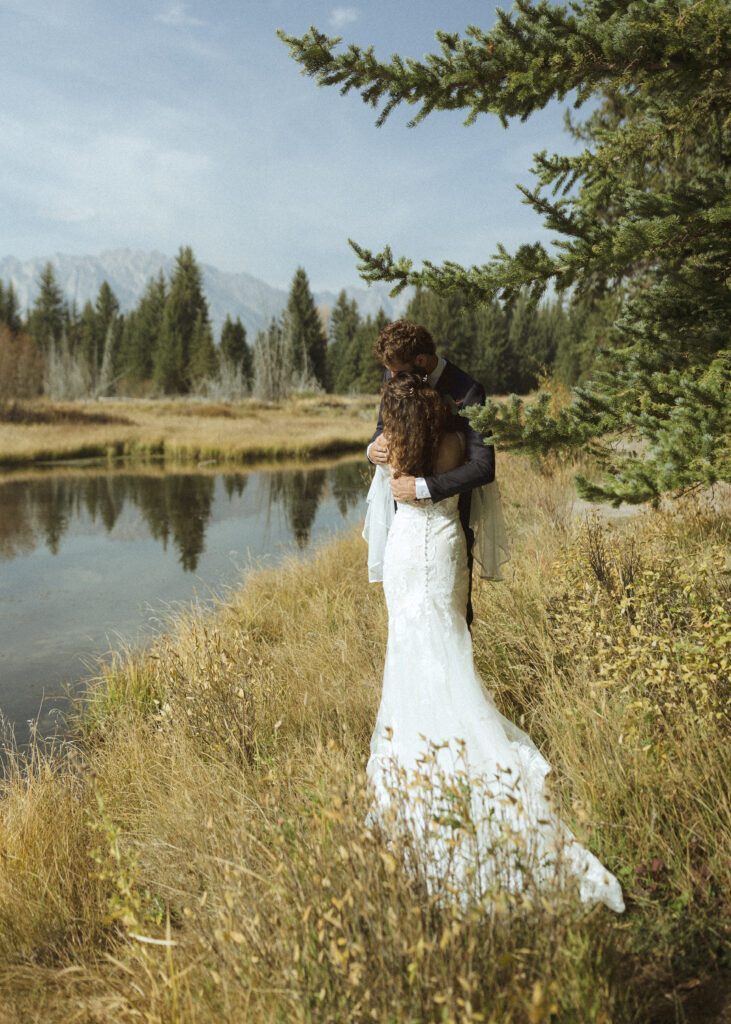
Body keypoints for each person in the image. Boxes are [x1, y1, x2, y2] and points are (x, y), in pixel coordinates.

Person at [365, 371, 626, 913]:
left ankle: (420, 752)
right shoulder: (453, 438)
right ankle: (457, 739)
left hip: (408, 554)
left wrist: (386, 456)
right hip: (442, 549)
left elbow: (400, 479)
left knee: (413, 651)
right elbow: (473, 470)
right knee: (447, 648)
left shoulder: (400, 453)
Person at [367, 320, 495, 626]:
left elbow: (483, 467)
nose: (391, 377)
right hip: (404, 529)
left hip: (447, 527)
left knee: (451, 619)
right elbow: (380, 432)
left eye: (396, 371)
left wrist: (421, 488)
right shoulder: (395, 374)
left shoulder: (468, 391)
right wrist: (372, 451)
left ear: (421, 361)